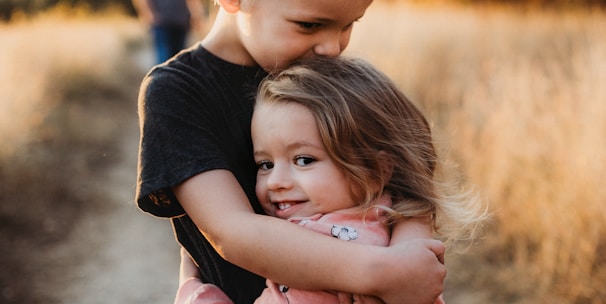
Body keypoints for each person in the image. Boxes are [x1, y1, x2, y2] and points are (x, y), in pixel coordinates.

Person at [136, 0, 448, 303]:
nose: (331, 48)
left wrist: (410, 252)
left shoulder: (325, 78)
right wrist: (384, 272)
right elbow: (232, 231)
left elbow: (411, 178)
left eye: (348, 25)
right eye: (309, 25)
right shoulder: (178, 92)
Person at [172, 56, 488, 304]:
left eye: (304, 160)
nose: (276, 182)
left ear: (377, 170)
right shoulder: (394, 232)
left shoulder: (331, 256)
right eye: (265, 164)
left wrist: (194, 288)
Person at [131, 0, 205, 64]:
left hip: (181, 21)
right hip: (161, 23)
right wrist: (148, 14)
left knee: (179, 59)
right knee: (164, 58)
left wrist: (196, 15)